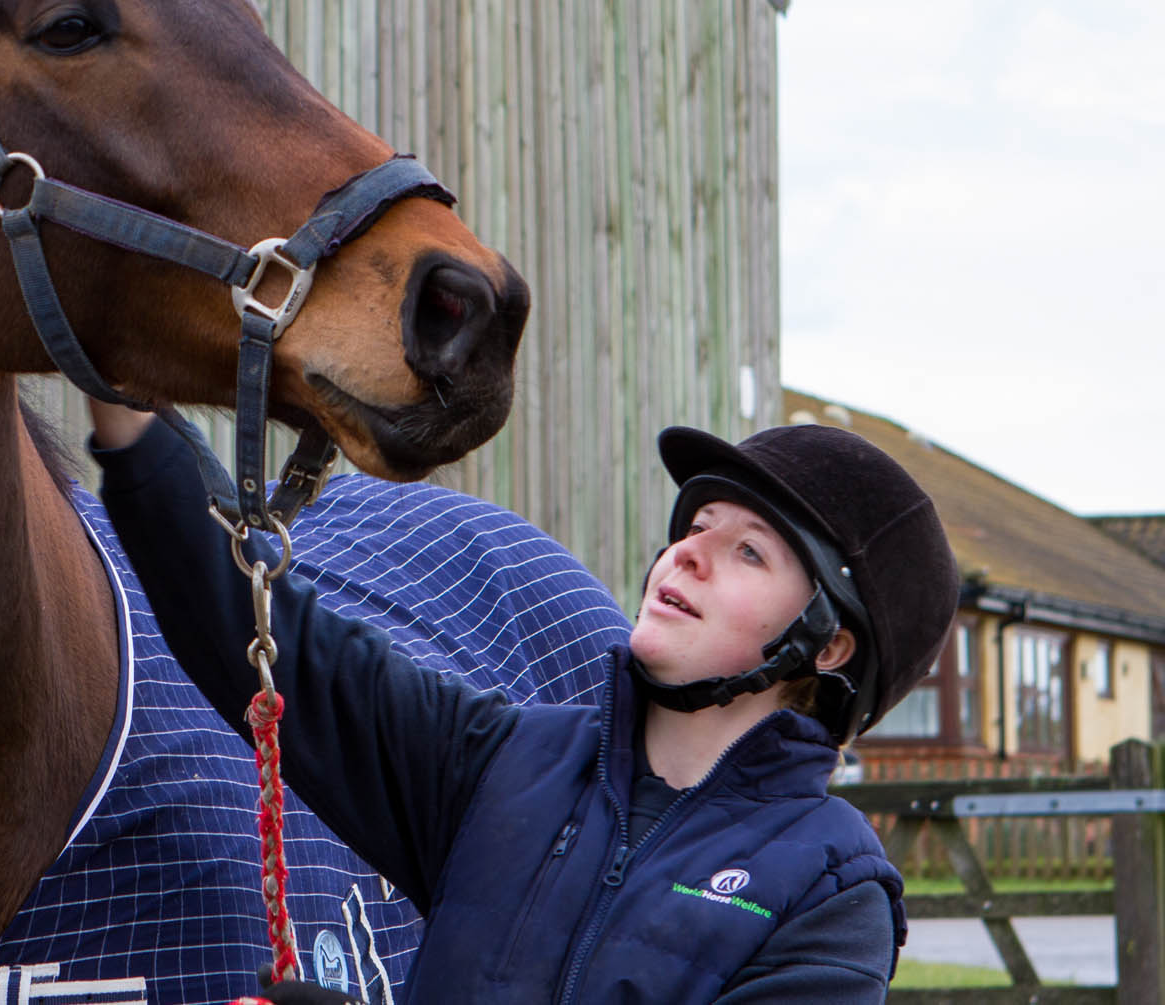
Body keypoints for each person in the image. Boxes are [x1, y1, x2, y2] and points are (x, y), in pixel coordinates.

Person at [87, 400, 960, 1004]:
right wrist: (123, 407)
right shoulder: (503, 762)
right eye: (694, 529)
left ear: (827, 642)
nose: (687, 556)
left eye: (749, 553)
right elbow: (273, 638)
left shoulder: (831, 891)